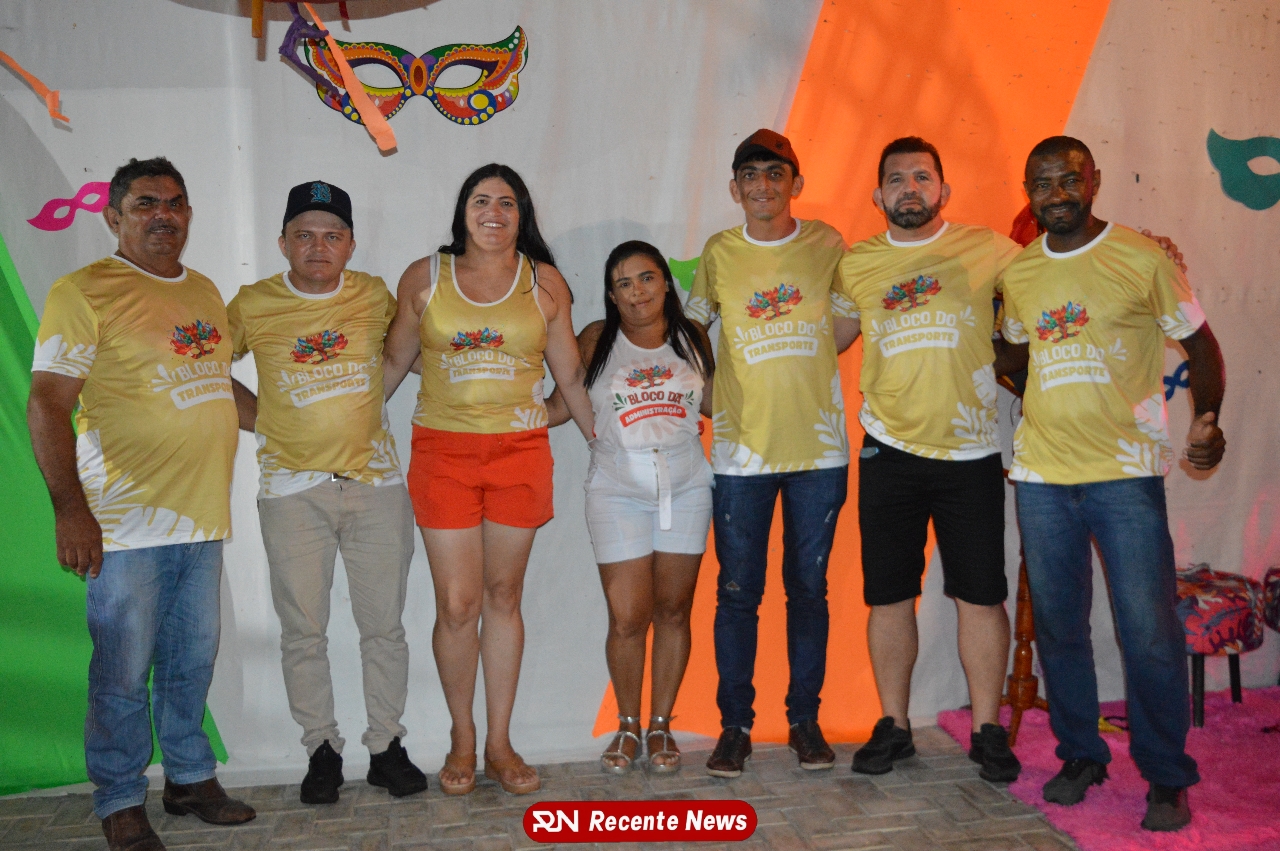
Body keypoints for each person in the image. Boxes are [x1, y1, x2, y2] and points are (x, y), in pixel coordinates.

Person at [26, 157, 255, 851]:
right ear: (113, 216)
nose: (164, 215)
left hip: (202, 519)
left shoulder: (204, 290)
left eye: (175, 203)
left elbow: (216, 383)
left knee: (191, 662)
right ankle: (121, 798)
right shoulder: (83, 291)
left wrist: (295, 424)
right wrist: (70, 509)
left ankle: (188, 777)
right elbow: (47, 403)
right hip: (123, 524)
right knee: (121, 675)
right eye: (146, 203)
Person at [999, 136, 1225, 832]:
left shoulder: (1140, 257)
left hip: (1125, 475)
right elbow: (1015, 352)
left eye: (1069, 179)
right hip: (1042, 477)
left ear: (1093, 181)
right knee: (1060, 627)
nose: (1057, 194)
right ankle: (1080, 754)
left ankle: (1166, 773)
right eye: (1042, 183)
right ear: (1029, 192)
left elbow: (1202, 345)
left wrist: (1208, 417)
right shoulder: (1021, 272)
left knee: (1148, 631)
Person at [382, 164, 595, 796]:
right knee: (457, 604)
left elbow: (570, 376)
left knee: (504, 596)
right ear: (463, 211)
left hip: (519, 455)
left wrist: (602, 444)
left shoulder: (545, 282)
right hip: (443, 453)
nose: (493, 213)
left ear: (521, 215)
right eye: (481, 200)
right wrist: (348, 432)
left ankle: (499, 742)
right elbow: (393, 360)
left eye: (507, 202)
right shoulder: (425, 277)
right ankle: (462, 737)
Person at [226, 181, 426, 805]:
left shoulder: (373, 293)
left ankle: (386, 747)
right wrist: (265, 421)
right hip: (291, 492)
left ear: (350, 245)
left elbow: (414, 352)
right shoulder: (253, 302)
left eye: (332, 236)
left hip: (376, 485)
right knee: (303, 632)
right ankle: (321, 750)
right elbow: (204, 367)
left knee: (384, 628)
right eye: (305, 236)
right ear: (283, 242)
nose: (319, 247)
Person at [837, 137, 1024, 782]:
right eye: (896, 179)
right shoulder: (857, 264)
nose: (909, 188)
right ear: (878, 195)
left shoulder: (989, 248)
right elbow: (826, 337)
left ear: (944, 189)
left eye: (922, 176)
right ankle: (894, 726)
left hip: (971, 452)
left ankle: (987, 729)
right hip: (887, 449)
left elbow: (1054, 278)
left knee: (982, 596)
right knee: (889, 597)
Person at [685, 129, 860, 777]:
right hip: (741, 455)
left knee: (808, 589)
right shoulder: (719, 251)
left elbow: (847, 323)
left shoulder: (827, 244)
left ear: (796, 183)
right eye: (751, 175)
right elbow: (693, 327)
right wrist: (713, 394)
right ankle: (734, 727)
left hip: (818, 450)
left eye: (775, 173)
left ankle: (804, 722)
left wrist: (802, 357)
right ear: (735, 189)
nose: (763, 185)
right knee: (737, 592)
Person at [546, 241, 715, 773]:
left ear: (665, 282)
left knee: (674, 610)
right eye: (623, 283)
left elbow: (716, 403)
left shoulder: (693, 336)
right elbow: (558, 406)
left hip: (687, 488)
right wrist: (487, 396)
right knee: (626, 618)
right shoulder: (596, 338)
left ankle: (660, 726)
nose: (637, 291)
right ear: (612, 295)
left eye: (646, 278)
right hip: (616, 489)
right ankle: (627, 726)